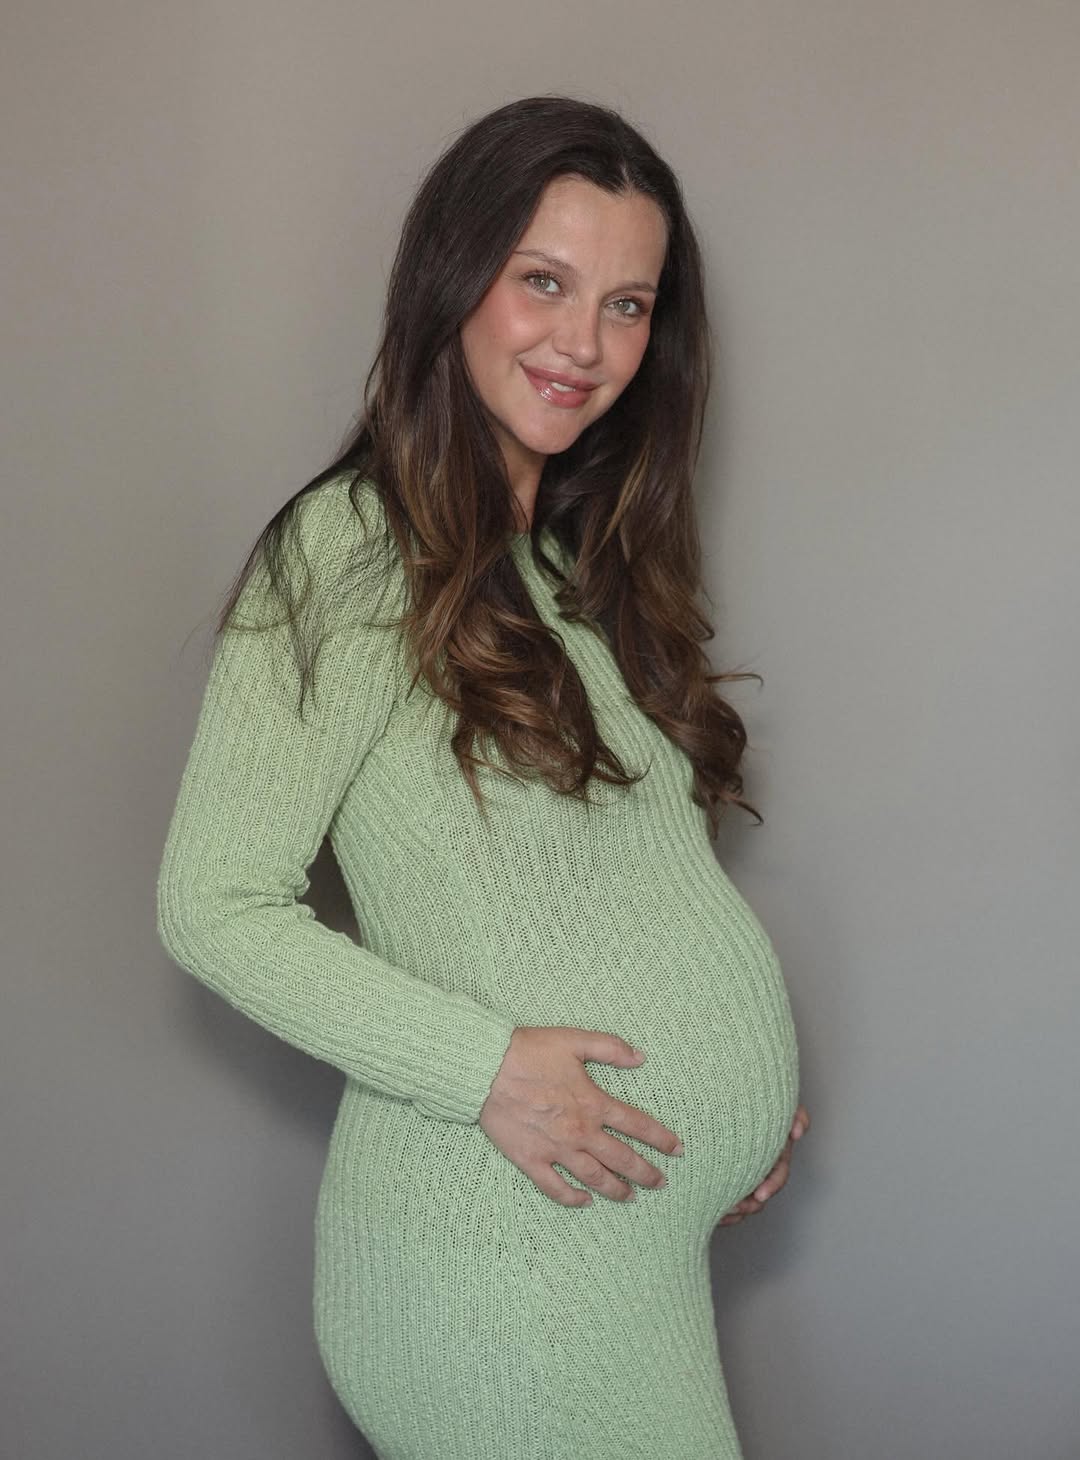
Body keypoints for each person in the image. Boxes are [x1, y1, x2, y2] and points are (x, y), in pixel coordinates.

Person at [156, 94, 810, 1460]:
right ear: (451, 281)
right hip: (498, 1266)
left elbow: (626, 889)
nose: (585, 346)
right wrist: (485, 1068)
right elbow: (213, 904)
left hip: (601, 1251)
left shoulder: (566, 563)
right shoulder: (349, 548)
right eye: (544, 283)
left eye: (628, 306)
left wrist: (736, 1099)